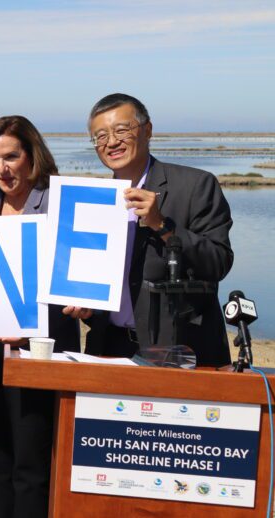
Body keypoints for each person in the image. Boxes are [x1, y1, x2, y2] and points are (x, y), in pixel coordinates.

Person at [0, 116, 80, 518]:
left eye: (11, 156)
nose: (1, 167)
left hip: (41, 350)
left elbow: (74, 283)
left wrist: (33, 319)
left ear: (33, 157)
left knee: (32, 459)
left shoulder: (56, 204)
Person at [82, 93, 233, 366]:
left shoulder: (196, 185)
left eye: (122, 130)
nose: (112, 142)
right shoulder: (92, 201)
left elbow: (218, 262)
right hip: (109, 347)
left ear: (147, 130)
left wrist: (163, 226)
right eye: (100, 136)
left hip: (178, 352)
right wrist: (86, 308)